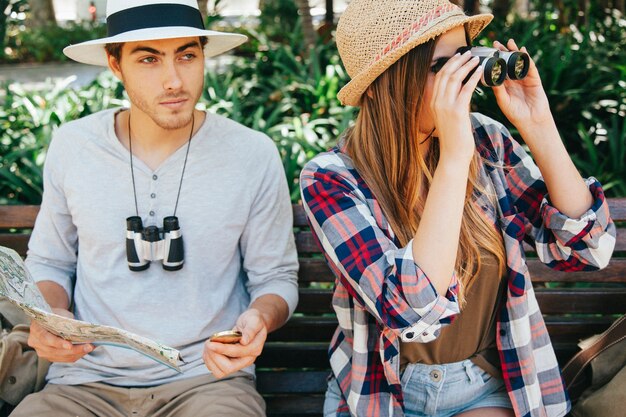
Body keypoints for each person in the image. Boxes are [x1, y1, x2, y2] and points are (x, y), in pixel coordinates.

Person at [299, 1, 616, 417]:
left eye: (466, 60)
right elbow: (409, 311)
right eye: (440, 68)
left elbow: (588, 249)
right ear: (379, 83)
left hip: (486, 382)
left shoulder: (486, 142)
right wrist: (453, 158)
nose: (464, 80)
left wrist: (538, 124)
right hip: (384, 394)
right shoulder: (331, 178)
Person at [12, 0, 299, 416]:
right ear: (115, 64)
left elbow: (276, 276)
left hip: (206, 382)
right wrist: (52, 315)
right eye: (149, 59)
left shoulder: (251, 154)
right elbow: (51, 262)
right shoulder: (74, 146)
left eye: (187, 55)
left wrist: (260, 317)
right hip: (82, 384)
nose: (173, 80)